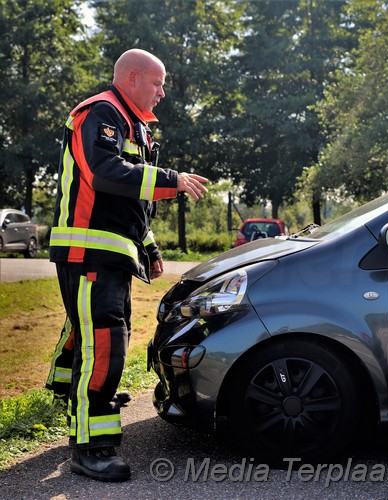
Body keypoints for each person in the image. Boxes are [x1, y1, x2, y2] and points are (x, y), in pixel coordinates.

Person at [46, 48, 208, 482]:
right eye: (157, 83)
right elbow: (104, 173)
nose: (162, 93)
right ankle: (91, 446)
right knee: (103, 343)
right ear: (132, 78)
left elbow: (130, 203)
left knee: (100, 337)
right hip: (87, 251)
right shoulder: (100, 112)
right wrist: (172, 179)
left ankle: (70, 395)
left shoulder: (133, 125)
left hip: (111, 251)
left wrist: (150, 247)